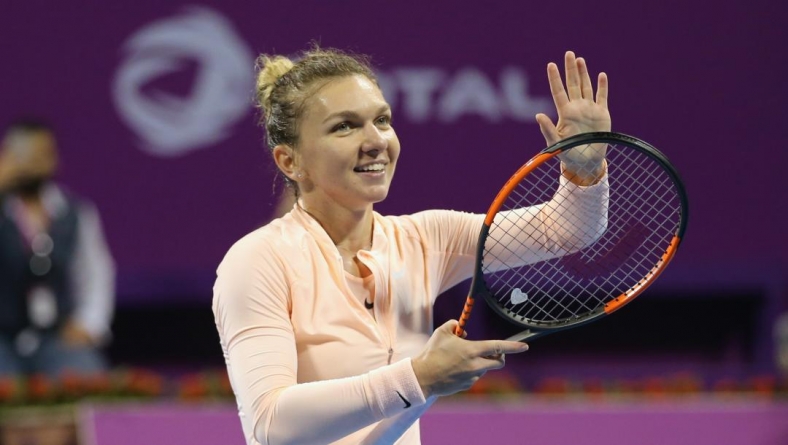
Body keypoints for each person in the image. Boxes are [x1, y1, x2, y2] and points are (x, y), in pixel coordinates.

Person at [213, 47, 610, 445]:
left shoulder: (426, 239)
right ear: (290, 161)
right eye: (344, 127)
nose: (375, 141)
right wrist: (418, 378)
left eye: (381, 120)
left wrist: (584, 169)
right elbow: (272, 425)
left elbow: (566, 229)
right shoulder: (258, 260)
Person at [0, 119, 116, 379]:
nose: (31, 164)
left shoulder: (75, 213)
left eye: (40, 154)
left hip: (55, 336)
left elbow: (96, 273)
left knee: (87, 376)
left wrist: (89, 324)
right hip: (3, 338)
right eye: (23, 155)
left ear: (54, 159)